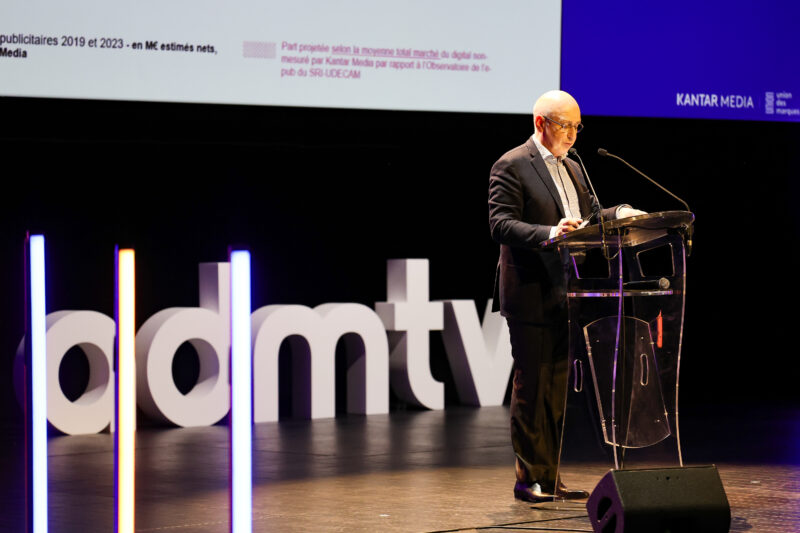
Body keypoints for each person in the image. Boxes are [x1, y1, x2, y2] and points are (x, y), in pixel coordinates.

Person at [488, 90, 642, 502]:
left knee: (557, 389)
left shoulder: (573, 166)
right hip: (530, 292)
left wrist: (619, 214)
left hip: (567, 291)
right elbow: (500, 224)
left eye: (577, 126)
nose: (572, 134)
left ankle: (550, 476)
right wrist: (550, 232)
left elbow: (589, 218)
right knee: (533, 386)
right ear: (541, 123)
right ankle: (528, 479)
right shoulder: (512, 164)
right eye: (564, 125)